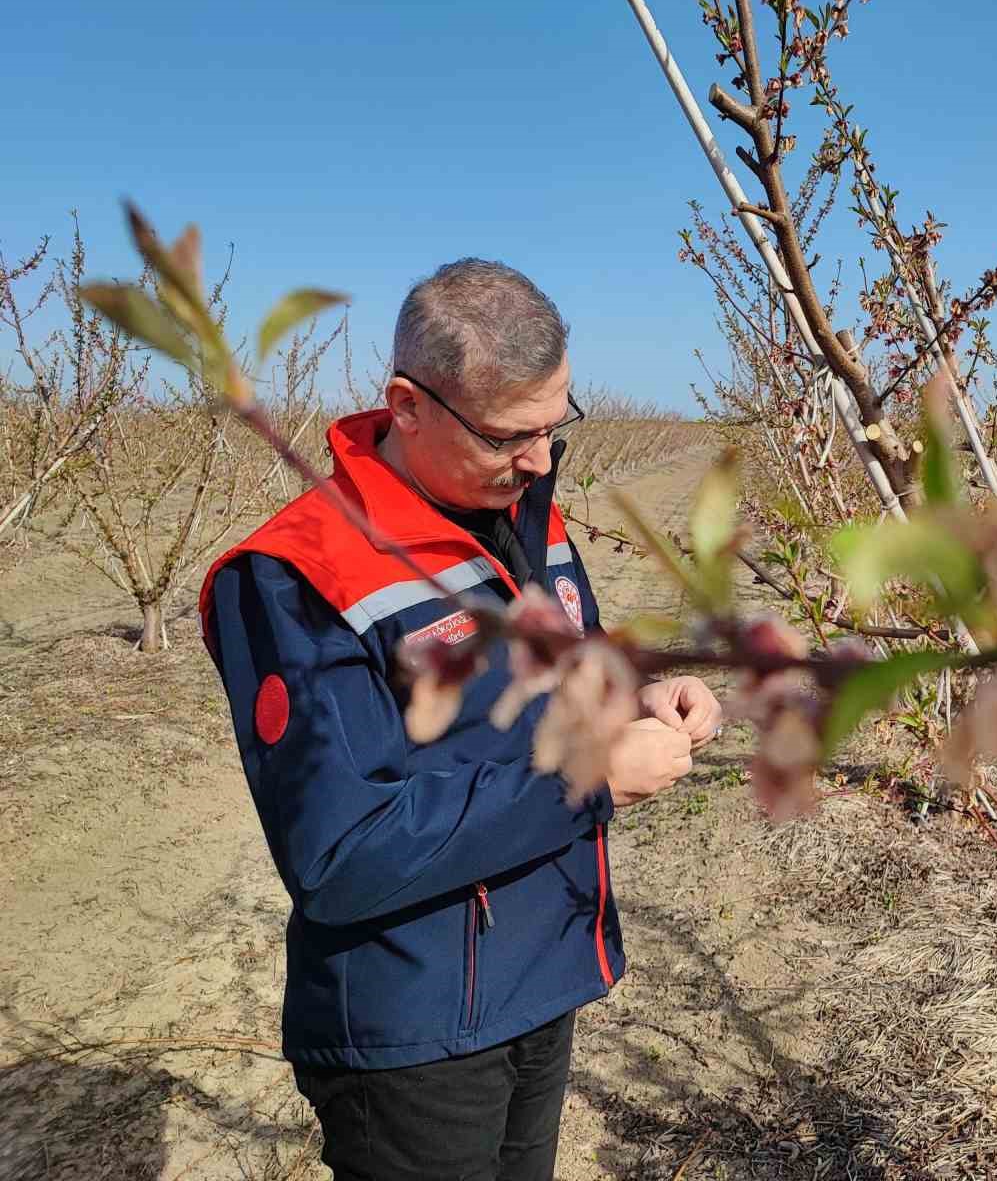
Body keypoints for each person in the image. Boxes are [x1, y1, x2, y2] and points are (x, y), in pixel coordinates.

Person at [198, 259, 721, 1180]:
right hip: (416, 1027)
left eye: (557, 428)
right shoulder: (295, 576)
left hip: (539, 973)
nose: (540, 462)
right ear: (407, 404)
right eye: (509, 437)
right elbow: (339, 854)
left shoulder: (528, 515)